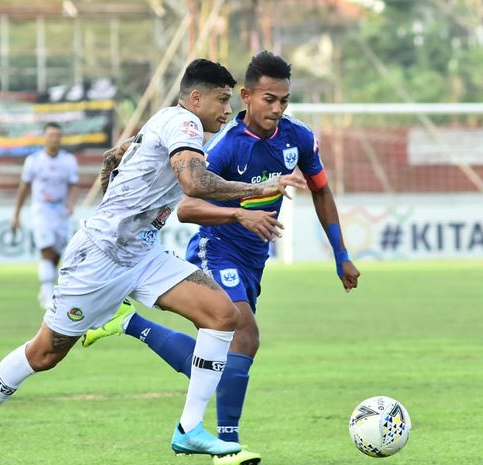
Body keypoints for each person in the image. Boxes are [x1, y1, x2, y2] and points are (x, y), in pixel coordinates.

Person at [0, 58, 308, 465]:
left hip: (142, 254)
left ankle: (189, 429)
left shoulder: (167, 122)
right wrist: (258, 190)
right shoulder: (184, 124)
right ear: (195, 98)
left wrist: (120, 160)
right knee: (45, 354)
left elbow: (122, 153)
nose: (225, 109)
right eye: (221, 99)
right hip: (99, 258)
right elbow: (195, 183)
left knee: (221, 314)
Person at [82, 51, 361, 465]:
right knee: (244, 335)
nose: (278, 108)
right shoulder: (226, 146)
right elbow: (188, 208)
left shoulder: (298, 138)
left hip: (253, 258)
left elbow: (321, 189)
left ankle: (128, 322)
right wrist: (240, 214)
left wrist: (341, 254)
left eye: (284, 100)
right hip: (217, 249)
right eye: (269, 99)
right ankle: (226, 445)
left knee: (215, 360)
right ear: (246, 96)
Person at [11, 122, 79, 309]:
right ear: (44, 138)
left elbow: (73, 185)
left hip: (61, 211)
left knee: (57, 252)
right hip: (42, 209)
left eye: (57, 135)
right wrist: (16, 214)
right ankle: (48, 293)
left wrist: (71, 203)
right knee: (47, 249)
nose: (54, 139)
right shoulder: (33, 161)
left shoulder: (68, 160)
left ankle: (46, 290)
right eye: (51, 135)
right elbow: (24, 187)